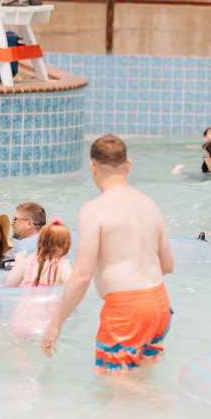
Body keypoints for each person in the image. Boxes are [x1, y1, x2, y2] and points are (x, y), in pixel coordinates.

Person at [41, 134, 175, 374]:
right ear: (128, 165)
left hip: (125, 310)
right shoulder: (150, 205)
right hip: (159, 303)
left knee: (115, 390)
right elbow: (167, 265)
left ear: (92, 167)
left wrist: (55, 324)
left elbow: (82, 276)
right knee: (144, 381)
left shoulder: (94, 211)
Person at [5, 218, 73, 288]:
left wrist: (20, 261)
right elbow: (73, 287)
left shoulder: (29, 259)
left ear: (39, 242)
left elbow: (10, 284)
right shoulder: (62, 265)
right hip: (49, 298)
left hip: (27, 298)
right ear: (67, 247)